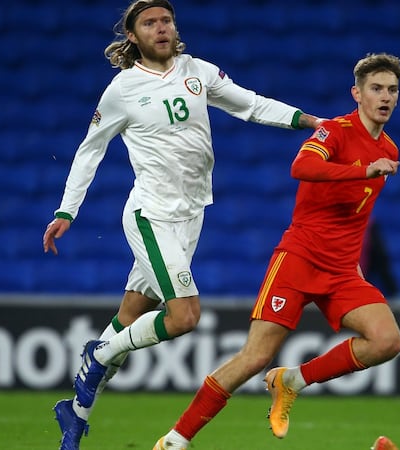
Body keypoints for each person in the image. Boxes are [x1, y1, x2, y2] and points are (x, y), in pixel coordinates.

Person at [41, 1, 323, 449]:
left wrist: (310, 122)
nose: (161, 28)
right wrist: (65, 211)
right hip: (151, 215)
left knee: (131, 315)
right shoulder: (122, 89)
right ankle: (97, 355)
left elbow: (248, 104)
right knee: (185, 316)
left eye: (166, 20)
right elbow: (90, 149)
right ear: (133, 35)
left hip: (192, 215)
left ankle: (74, 415)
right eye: (149, 23)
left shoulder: (197, 71)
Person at [153, 52, 400, 450]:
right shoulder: (335, 132)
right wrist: (363, 169)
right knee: (254, 357)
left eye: (392, 90)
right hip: (300, 259)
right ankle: (175, 439)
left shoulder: (389, 147)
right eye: (376, 89)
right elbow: (301, 167)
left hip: (341, 271)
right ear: (357, 93)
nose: (385, 97)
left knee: (387, 341)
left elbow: (355, 216)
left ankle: (292, 381)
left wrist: (353, 264)